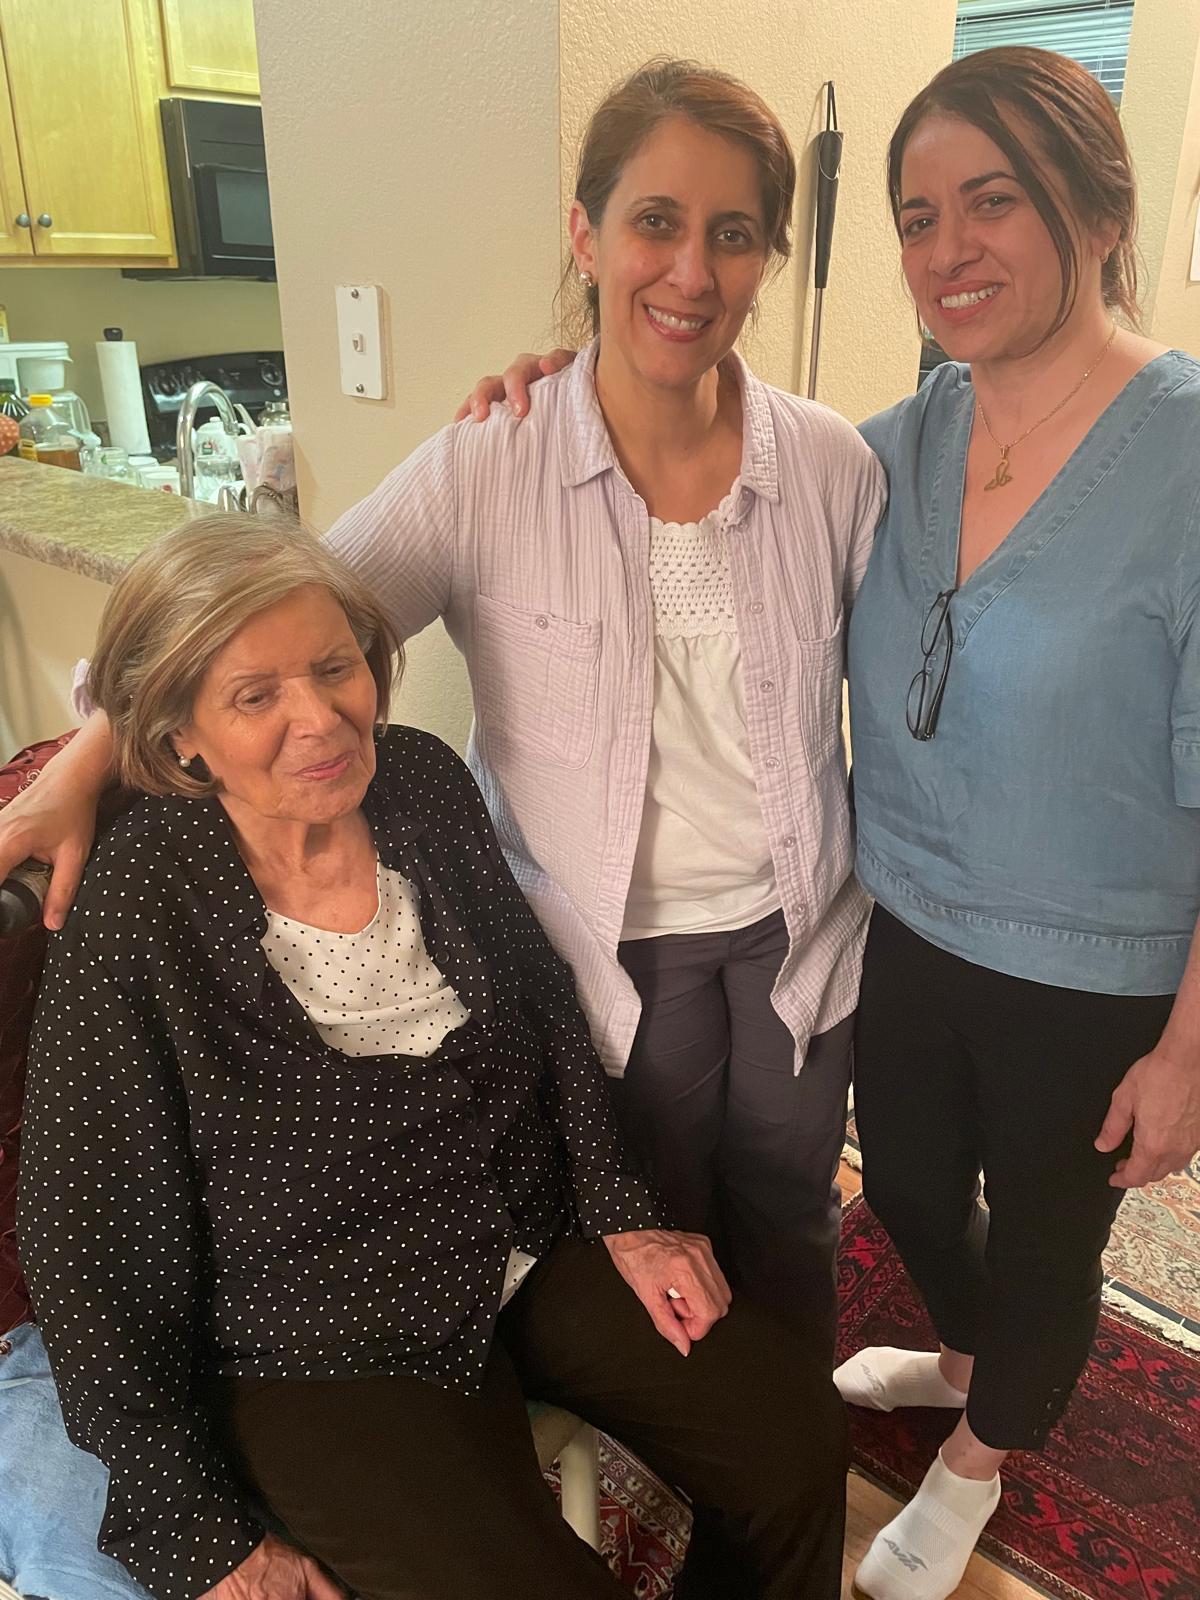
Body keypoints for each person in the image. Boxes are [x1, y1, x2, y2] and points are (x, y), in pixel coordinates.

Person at [452, 44, 1200, 1600]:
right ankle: (964, 1355)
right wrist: (555, 388)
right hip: (901, 924)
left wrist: (1193, 1041)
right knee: (913, 1193)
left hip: (1094, 963)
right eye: (919, 218)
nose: (948, 251)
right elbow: (723, 456)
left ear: (1101, 210)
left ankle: (982, 1466)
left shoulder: (1186, 454)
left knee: (1052, 1236)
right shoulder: (896, 447)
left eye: (994, 203)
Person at [3, 59, 884, 1371]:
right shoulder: (494, 460)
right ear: (586, 235)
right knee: (667, 1241)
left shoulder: (829, 464)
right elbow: (262, 615)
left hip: (799, 931)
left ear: (769, 260)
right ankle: (696, 1480)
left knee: (793, 1222)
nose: (691, 271)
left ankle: (787, 1461)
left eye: (734, 233)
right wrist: (89, 759)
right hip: (611, 951)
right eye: (656, 221)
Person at [18, 514, 850, 1600]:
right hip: (316, 1339)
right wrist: (197, 1534)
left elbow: (545, 1005)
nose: (319, 719)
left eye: (336, 667)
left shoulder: (417, 782)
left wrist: (621, 1207)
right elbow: (85, 1233)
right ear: (183, 736)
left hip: (520, 1232)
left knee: (792, 1434)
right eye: (256, 696)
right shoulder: (141, 901)